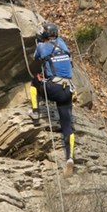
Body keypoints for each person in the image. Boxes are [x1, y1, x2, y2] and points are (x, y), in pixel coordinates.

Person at [29, 22, 76, 177]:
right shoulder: (63, 44)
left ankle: (35, 111)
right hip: (67, 90)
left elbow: (35, 58)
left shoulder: (42, 47)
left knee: (35, 81)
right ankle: (69, 158)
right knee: (67, 126)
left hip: (53, 88)